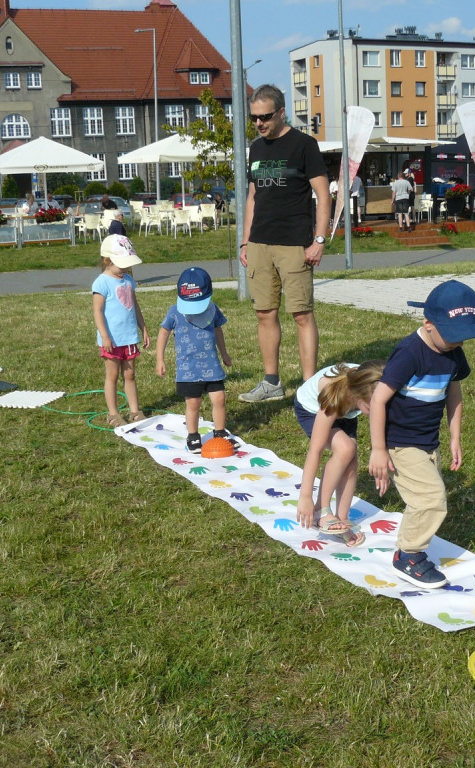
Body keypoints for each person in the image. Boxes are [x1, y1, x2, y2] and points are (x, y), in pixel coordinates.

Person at [368, 280, 475, 589]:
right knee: (432, 499)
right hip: (399, 442)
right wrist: (378, 449)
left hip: (427, 442)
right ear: (428, 323)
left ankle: (407, 545)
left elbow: (454, 391)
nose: (458, 344)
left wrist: (455, 436)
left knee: (422, 500)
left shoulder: (453, 352)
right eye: (453, 336)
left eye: (464, 337)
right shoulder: (409, 352)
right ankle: (407, 556)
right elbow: (379, 399)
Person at [238, 83, 330, 403]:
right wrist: (245, 241)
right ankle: (272, 383)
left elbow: (323, 193)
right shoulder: (256, 148)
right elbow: (252, 197)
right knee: (265, 312)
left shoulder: (304, 145)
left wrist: (319, 240)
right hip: (260, 242)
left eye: (265, 117)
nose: (259, 123)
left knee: (301, 314)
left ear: (280, 112)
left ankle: (307, 388)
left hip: (295, 243)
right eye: (254, 118)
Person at [295, 361, 384, 547]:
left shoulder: (374, 387)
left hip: (346, 410)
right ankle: (321, 510)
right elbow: (315, 450)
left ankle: (341, 518)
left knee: (351, 459)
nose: (379, 412)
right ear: (359, 398)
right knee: (345, 448)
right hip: (312, 409)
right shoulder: (335, 395)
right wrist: (305, 496)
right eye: (373, 408)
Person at [156, 267, 235, 454]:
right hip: (188, 369)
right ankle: (193, 435)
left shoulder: (213, 309)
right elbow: (164, 332)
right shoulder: (175, 312)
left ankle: (220, 432)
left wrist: (224, 353)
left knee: (220, 398)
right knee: (193, 403)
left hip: (212, 366)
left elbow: (218, 330)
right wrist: (160, 358)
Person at [92, 234, 150, 428]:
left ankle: (135, 411)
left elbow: (134, 306)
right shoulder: (102, 282)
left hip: (129, 338)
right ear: (107, 260)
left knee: (130, 375)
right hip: (112, 341)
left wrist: (143, 329)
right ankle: (113, 413)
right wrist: (105, 336)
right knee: (113, 375)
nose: (125, 269)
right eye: (122, 265)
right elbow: (98, 312)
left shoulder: (128, 280)